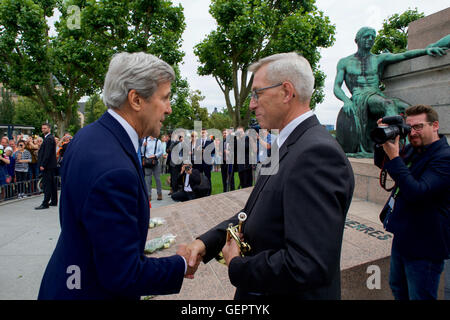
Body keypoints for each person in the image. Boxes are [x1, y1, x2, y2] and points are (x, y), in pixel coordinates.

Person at [187, 52, 355, 300]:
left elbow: (307, 264)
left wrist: (237, 266)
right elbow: (252, 213)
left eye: (257, 93)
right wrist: (206, 243)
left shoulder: (317, 154)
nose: (252, 104)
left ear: (286, 92)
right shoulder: (288, 145)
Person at [38, 52, 198, 300]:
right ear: (136, 99)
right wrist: (181, 264)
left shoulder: (90, 135)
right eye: (165, 98)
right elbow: (123, 275)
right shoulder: (115, 171)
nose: (169, 108)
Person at [334, 27, 446, 156]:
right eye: (366, 36)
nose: (370, 39)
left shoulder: (378, 58)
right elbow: (337, 86)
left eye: (372, 37)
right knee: (388, 104)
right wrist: (346, 101)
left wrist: (426, 51)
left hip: (376, 94)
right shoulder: (345, 62)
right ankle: (395, 150)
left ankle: (414, 147)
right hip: (360, 97)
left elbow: (403, 55)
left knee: (407, 109)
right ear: (357, 40)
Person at [377, 105, 450, 300]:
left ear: (435, 125)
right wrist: (384, 141)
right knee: (397, 288)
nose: (413, 133)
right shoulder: (412, 149)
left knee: (420, 295)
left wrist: (394, 156)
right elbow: (385, 165)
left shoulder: (444, 158)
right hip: (403, 236)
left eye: (418, 127)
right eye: (409, 128)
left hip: (425, 244)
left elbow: (417, 192)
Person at [35, 123, 58, 209]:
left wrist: (43, 164)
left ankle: (45, 203)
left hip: (47, 166)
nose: (43, 130)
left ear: (49, 129)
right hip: (50, 165)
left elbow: (47, 153)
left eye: (45, 128)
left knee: (47, 184)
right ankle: (54, 201)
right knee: (51, 183)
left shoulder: (49, 139)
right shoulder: (49, 138)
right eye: (42, 128)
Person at [141, 135, 163, 201]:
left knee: (157, 179)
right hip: (147, 162)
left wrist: (155, 155)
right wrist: (143, 146)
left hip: (155, 161)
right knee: (148, 179)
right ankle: (148, 195)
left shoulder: (158, 141)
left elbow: (161, 151)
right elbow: (142, 152)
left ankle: (159, 194)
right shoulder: (145, 140)